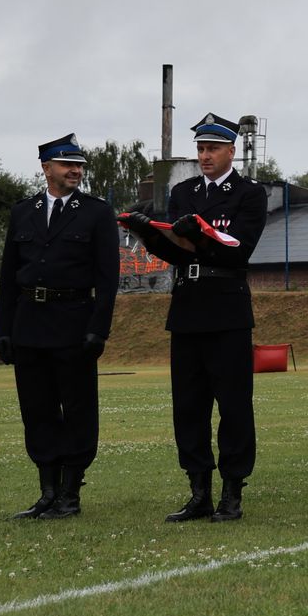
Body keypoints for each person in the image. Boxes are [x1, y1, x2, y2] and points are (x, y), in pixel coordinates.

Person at [124, 113, 267, 524]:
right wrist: (148, 234)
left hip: (227, 308)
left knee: (234, 406)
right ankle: (199, 491)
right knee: (189, 408)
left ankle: (232, 492)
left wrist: (199, 234)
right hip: (187, 308)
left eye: (212, 149)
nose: (204, 156)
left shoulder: (248, 194)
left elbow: (237, 250)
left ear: (230, 152)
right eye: (200, 149)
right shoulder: (183, 191)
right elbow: (175, 253)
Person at [0, 134, 120, 520]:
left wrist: (98, 329)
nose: (75, 171)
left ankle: (70, 493)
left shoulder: (96, 213)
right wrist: (4, 330)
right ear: (46, 168)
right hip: (29, 324)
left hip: (74, 322)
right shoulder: (23, 212)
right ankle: (47, 491)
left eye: (79, 165)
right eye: (67, 164)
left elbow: (108, 277)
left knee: (79, 410)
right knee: (37, 410)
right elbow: (8, 277)